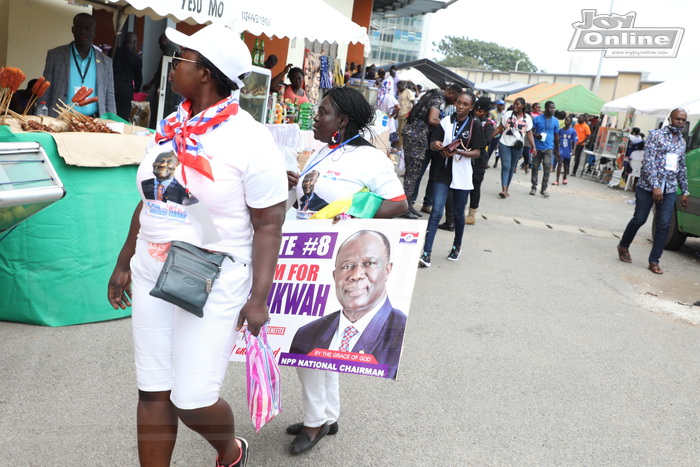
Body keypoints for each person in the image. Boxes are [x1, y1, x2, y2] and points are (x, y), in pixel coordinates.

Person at [107, 24, 288, 467]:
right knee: (152, 388)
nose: (172, 64)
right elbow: (154, 195)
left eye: (181, 58)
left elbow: (268, 224)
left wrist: (259, 297)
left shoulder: (250, 139)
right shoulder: (172, 127)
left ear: (206, 73)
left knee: (191, 400)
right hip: (152, 267)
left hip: (213, 277)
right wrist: (124, 259)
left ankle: (229, 450)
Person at [285, 86, 407, 455]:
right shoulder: (324, 151)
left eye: (322, 113)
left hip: (333, 259)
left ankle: (313, 422)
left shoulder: (369, 160)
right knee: (323, 339)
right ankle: (327, 415)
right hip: (304, 255)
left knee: (304, 343)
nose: (315, 118)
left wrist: (354, 218)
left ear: (343, 121)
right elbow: (311, 199)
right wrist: (299, 183)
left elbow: (398, 203)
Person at [289, 230, 407, 379]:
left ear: (387, 270)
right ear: (334, 275)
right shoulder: (305, 334)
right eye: (347, 266)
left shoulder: (401, 332)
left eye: (369, 263)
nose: (356, 275)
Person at [617, 109, 690, 275]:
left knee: (664, 225)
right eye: (678, 119)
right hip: (648, 187)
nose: (680, 122)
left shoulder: (681, 142)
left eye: (683, 120)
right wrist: (656, 186)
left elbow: (681, 167)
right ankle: (623, 245)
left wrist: (685, 190)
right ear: (670, 119)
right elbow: (648, 162)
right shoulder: (655, 135)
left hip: (669, 189)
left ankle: (654, 261)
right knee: (639, 219)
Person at [419, 91, 486, 267]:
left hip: (462, 174)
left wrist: (458, 152)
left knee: (457, 214)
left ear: (471, 107)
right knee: (436, 212)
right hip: (443, 172)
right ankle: (426, 253)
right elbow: (433, 142)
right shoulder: (446, 121)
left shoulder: (474, 124)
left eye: (465, 104)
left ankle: (457, 245)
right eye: (458, 103)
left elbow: (477, 152)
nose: (461, 107)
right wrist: (437, 145)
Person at [42, 13, 116, 118]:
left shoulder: (106, 62)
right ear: (73, 30)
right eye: (78, 28)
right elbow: (45, 90)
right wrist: (41, 116)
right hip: (60, 119)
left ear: (94, 32)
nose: (83, 32)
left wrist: (113, 121)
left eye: (87, 28)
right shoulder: (55, 55)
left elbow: (110, 96)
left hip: (94, 121)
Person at [493, 97, 534, 199]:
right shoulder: (507, 115)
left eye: (518, 104)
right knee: (506, 166)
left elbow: (529, 134)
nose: (515, 106)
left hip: (517, 146)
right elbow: (499, 128)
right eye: (514, 104)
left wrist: (534, 147)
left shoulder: (527, 118)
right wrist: (489, 138)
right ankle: (503, 189)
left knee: (511, 168)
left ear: (523, 106)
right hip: (504, 143)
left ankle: (507, 188)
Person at [530, 101, 560, 198]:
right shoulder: (537, 119)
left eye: (553, 108)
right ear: (546, 108)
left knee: (547, 168)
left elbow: (556, 135)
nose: (552, 110)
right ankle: (534, 187)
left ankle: (544, 189)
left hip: (549, 148)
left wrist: (557, 149)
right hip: (537, 147)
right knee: (535, 167)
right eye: (551, 108)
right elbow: (530, 132)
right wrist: (536, 136)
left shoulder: (555, 121)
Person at [112, 32, 143, 121]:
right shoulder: (136, 58)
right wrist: (137, 89)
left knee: (110, 115)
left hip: (111, 88)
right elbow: (138, 77)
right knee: (123, 118)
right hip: (126, 91)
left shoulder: (114, 51)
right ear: (134, 43)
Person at [552, 116, 577, 186]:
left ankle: (565, 177)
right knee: (559, 163)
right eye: (566, 120)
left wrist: (573, 150)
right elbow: (556, 139)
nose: (566, 121)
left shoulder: (573, 131)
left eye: (568, 120)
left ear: (571, 122)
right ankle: (557, 180)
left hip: (568, 149)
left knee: (566, 165)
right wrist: (556, 149)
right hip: (561, 148)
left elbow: (575, 141)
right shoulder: (560, 130)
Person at [396, 80, 415, 151]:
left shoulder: (408, 92)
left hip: (406, 113)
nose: (398, 88)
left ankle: (402, 146)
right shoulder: (400, 93)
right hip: (400, 113)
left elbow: (414, 102)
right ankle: (400, 144)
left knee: (403, 130)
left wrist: (412, 113)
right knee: (399, 130)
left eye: (399, 86)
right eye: (397, 87)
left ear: (403, 86)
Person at [487, 99, 505, 167]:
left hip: (500, 133)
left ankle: (496, 162)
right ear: (497, 105)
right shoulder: (492, 112)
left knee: (496, 148)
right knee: (489, 147)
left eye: (502, 105)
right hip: (492, 131)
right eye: (499, 105)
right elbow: (489, 120)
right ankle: (486, 161)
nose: (501, 107)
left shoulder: (504, 114)